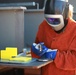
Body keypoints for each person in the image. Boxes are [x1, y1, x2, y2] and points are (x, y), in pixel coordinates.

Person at [31, 0, 76, 75]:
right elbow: (36, 50)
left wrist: (55, 55)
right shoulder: (44, 26)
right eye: (49, 20)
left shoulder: (74, 30)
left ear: (65, 15)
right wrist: (36, 50)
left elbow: (74, 60)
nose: (52, 23)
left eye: (55, 20)